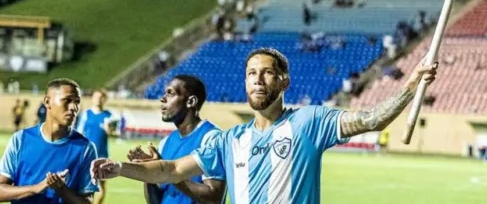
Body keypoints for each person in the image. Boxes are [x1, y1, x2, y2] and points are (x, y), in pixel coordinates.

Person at [91, 47, 438, 203]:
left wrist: (410, 86)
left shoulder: (309, 122)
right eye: (251, 73)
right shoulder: (228, 140)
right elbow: (170, 170)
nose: (258, 79)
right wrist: (119, 168)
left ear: (284, 82)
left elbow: (371, 119)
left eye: (267, 73)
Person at [126, 75, 225, 204]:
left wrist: (168, 172)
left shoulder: (212, 138)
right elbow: (155, 201)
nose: (162, 98)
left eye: (171, 93)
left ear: (191, 101)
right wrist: (150, 172)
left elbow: (214, 198)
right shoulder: (165, 143)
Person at [0, 78, 98, 203]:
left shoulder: (85, 148)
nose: (74, 107)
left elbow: (87, 202)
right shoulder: (20, 139)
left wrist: (61, 189)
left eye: (77, 102)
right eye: (67, 100)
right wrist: (35, 189)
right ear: (47, 102)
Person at [75, 89, 113, 204]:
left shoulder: (108, 115)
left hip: (102, 154)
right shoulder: (86, 114)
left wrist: (109, 130)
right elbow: (79, 133)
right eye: (96, 97)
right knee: (85, 186)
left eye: (101, 97)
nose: (98, 100)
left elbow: (114, 133)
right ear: (92, 98)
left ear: (104, 99)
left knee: (101, 186)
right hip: (87, 155)